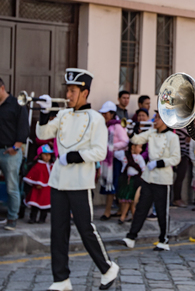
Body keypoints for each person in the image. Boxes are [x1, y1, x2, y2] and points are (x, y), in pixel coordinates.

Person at [36, 68, 119, 290]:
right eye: (67, 90)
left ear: (85, 93)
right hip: (58, 181)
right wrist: (44, 114)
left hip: (80, 182)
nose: (68, 95)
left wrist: (74, 156)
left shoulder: (95, 119)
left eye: (73, 91)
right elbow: (42, 134)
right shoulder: (62, 115)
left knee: (85, 228)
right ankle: (61, 279)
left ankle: (107, 268)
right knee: (57, 231)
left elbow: (100, 152)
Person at [122, 111, 180, 251]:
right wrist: (130, 132)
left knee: (162, 211)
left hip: (162, 178)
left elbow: (176, 158)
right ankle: (131, 236)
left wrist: (159, 163)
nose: (155, 121)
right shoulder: (152, 133)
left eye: (158, 118)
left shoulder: (172, 137)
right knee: (141, 208)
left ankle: (163, 240)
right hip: (149, 177)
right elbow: (136, 140)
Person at [0, 77, 29, 230]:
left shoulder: (17, 104)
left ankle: (12, 219)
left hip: (10, 151)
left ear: (2, 88)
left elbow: (24, 127)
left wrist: (16, 147)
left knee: (12, 187)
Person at [98, 101, 129, 221]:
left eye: (106, 114)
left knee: (113, 186)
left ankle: (108, 211)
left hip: (115, 161)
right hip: (108, 160)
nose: (104, 116)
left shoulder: (117, 126)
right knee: (111, 185)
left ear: (112, 114)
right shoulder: (106, 126)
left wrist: (112, 147)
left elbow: (125, 141)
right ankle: (116, 210)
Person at [115, 141, 146, 224]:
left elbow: (143, 169)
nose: (141, 149)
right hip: (126, 180)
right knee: (129, 200)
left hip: (135, 180)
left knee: (129, 199)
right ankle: (134, 216)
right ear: (133, 147)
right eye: (139, 147)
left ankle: (123, 216)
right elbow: (115, 153)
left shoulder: (139, 158)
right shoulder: (124, 155)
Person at [23, 144, 53, 224]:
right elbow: (33, 175)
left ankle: (42, 219)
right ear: (40, 156)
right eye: (45, 154)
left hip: (47, 189)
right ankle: (32, 218)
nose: (47, 156)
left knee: (45, 206)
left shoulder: (51, 165)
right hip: (37, 189)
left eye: (49, 154)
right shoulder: (37, 166)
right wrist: (37, 182)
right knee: (35, 205)